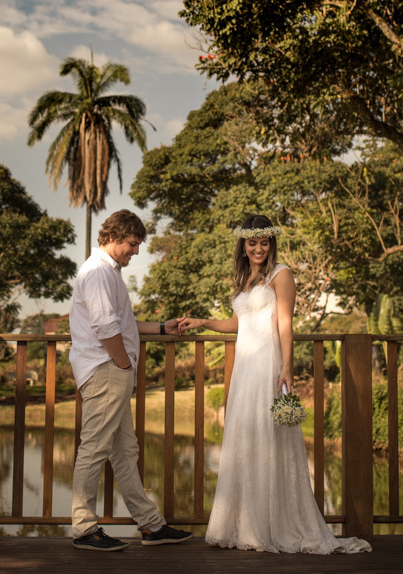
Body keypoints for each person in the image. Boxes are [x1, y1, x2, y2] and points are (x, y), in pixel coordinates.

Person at [178, 214, 371, 555]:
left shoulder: (281, 274)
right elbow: (237, 323)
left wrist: (286, 366)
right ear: (243, 245)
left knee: (269, 439)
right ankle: (243, 525)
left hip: (267, 362)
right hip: (244, 368)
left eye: (263, 242)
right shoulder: (243, 279)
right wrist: (202, 321)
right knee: (245, 437)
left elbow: (284, 322)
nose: (258, 248)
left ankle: (272, 525)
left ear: (271, 243)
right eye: (252, 243)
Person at [69, 209, 193, 552]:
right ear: (113, 237)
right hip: (107, 370)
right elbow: (106, 329)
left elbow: (123, 324)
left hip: (112, 370)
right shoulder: (97, 273)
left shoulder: (108, 273)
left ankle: (151, 525)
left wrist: (163, 328)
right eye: (132, 244)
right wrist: (124, 366)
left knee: (125, 452)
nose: (136, 251)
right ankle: (83, 528)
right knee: (94, 448)